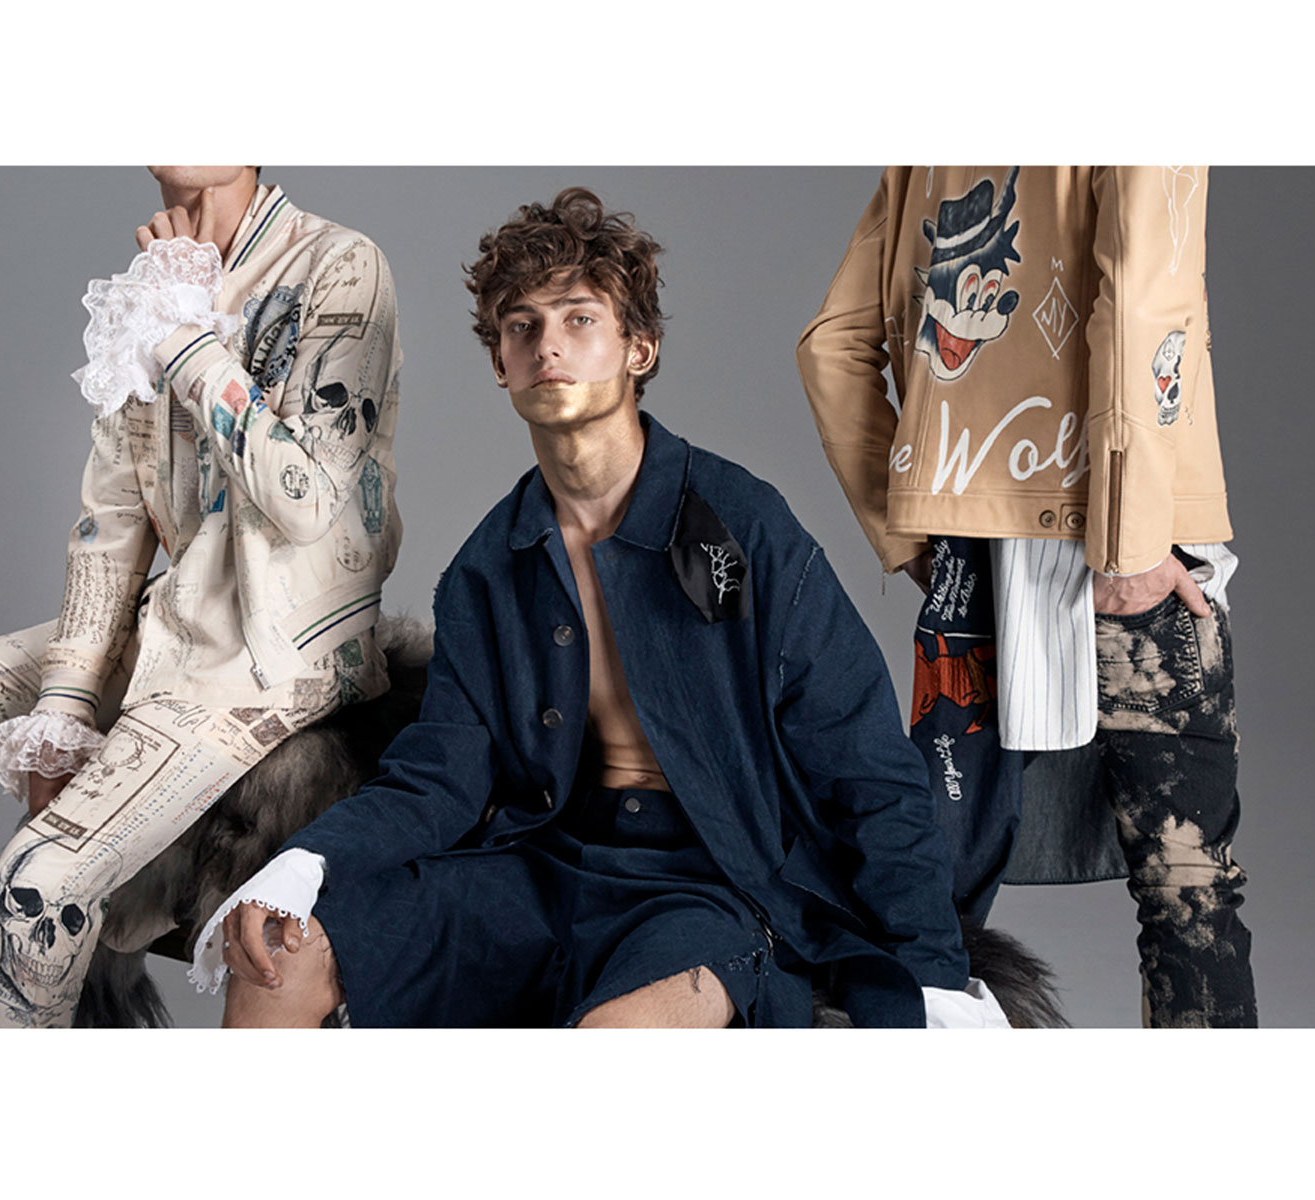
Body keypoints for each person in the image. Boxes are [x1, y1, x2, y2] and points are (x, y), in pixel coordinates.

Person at [192, 188, 1000, 1028]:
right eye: (522, 326)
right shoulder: (488, 568)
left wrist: (935, 977)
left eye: (579, 318)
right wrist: (304, 864)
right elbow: (439, 776)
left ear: (639, 348)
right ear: (500, 363)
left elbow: (865, 762)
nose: (548, 345)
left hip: (715, 886)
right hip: (543, 866)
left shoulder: (744, 524)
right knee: (281, 962)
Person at [796, 166, 1256, 1027]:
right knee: (1187, 887)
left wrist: (912, 533)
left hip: (970, 551)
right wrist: (1130, 546)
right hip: (1130, 538)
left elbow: (831, 345)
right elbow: (1140, 304)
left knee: (928, 890)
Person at [0, 166, 403, 1028]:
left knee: (34, 882)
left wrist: (184, 337)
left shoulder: (342, 264)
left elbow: (306, 499)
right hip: (175, 625)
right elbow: (111, 525)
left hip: (277, 659)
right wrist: (62, 715)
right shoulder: (147, 288)